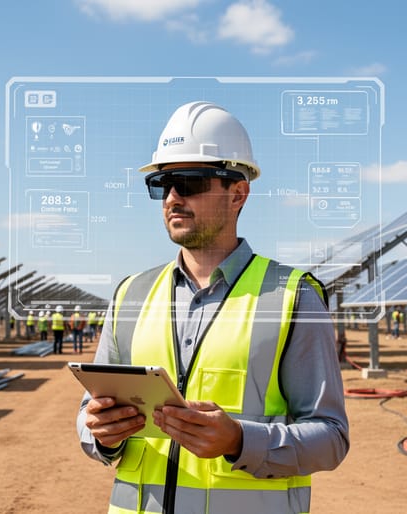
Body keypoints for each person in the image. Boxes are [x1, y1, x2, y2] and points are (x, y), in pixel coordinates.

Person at [76, 101, 349, 514]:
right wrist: (101, 434)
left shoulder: (293, 298)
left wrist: (240, 441)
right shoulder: (131, 295)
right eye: (162, 184)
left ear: (237, 193)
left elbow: (331, 439)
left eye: (189, 183)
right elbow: (89, 415)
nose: (171, 198)